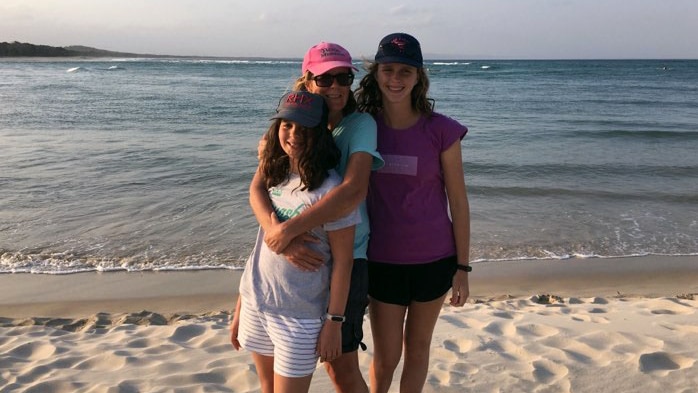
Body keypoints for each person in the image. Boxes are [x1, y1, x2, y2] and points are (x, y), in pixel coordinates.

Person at [241, 42, 384, 393]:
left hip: (348, 256)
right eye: (325, 78)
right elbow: (260, 188)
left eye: (343, 77)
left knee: (340, 367)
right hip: (290, 272)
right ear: (307, 81)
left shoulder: (359, 124)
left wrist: (286, 232)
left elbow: (352, 192)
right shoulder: (291, 122)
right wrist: (280, 236)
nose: (335, 86)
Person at [355, 32, 471, 393]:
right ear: (376, 73)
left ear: (419, 77)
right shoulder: (363, 126)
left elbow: (459, 201)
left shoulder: (442, 131)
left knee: (418, 350)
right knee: (386, 358)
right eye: (388, 69)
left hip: (435, 260)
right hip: (383, 261)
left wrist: (463, 268)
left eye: (406, 71)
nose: (395, 79)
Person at [230, 90, 360, 393]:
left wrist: (334, 322)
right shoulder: (274, 173)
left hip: (299, 317)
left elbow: (343, 263)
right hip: (256, 302)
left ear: (319, 132)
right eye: (287, 125)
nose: (294, 134)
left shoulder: (331, 190)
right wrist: (241, 304)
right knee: (266, 387)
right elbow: (260, 246)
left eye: (304, 127)